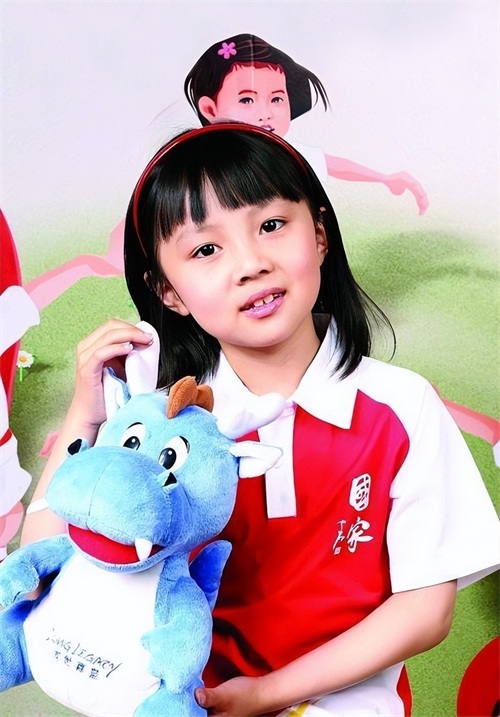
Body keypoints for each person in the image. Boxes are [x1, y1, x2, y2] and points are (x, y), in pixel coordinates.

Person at [22, 123, 499, 717]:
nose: (250, 264)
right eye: (206, 250)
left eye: (271, 225)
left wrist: (269, 695)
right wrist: (85, 411)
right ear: (168, 292)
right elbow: (42, 571)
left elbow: (425, 609)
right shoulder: (155, 413)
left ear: (319, 235)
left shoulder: (402, 406)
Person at [184, 33, 429, 214]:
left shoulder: (286, 157)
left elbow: (332, 165)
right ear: (209, 110)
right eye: (247, 100)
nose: (265, 113)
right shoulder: (201, 166)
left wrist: (384, 178)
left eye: (276, 99)